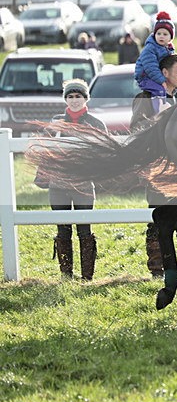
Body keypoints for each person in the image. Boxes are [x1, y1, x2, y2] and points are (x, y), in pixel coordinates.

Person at [130, 53, 177, 276]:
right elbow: (137, 129)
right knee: (158, 216)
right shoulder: (146, 98)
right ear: (164, 73)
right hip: (158, 167)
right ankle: (157, 268)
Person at [49, 79, 108, 280]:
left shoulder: (96, 123)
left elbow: (104, 154)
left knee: (85, 229)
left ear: (85, 98)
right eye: (70, 96)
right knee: (62, 229)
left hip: (83, 183)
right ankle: (66, 274)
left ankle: (87, 276)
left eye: (78, 96)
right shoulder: (56, 122)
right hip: (58, 183)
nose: (74, 100)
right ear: (65, 99)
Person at [134, 11, 177, 101]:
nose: (161, 36)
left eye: (165, 34)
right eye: (158, 33)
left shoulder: (169, 49)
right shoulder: (150, 48)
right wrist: (162, 81)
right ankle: (160, 108)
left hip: (159, 76)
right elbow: (151, 67)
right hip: (146, 77)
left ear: (170, 38)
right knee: (160, 90)